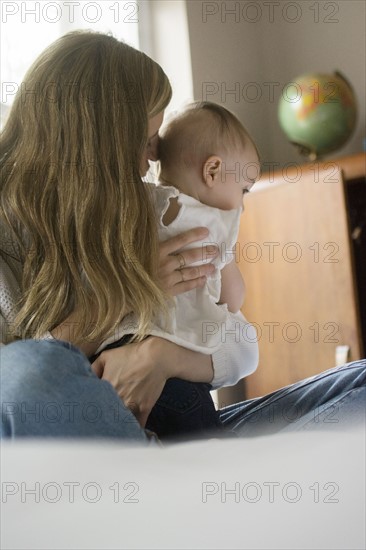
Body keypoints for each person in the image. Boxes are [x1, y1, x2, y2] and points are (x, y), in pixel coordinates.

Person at [1, 31, 365, 442]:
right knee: (25, 368)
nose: (154, 155)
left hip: (184, 429)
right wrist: (130, 290)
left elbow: (235, 341)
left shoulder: (150, 210)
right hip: (103, 436)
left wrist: (161, 356)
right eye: (145, 139)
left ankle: (208, 475)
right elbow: (25, 388)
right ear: (102, 141)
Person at [95, 101, 260, 440]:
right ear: (212, 171)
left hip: (115, 361)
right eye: (244, 189)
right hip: (180, 380)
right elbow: (233, 299)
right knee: (206, 463)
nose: (242, 202)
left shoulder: (133, 203)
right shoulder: (215, 222)